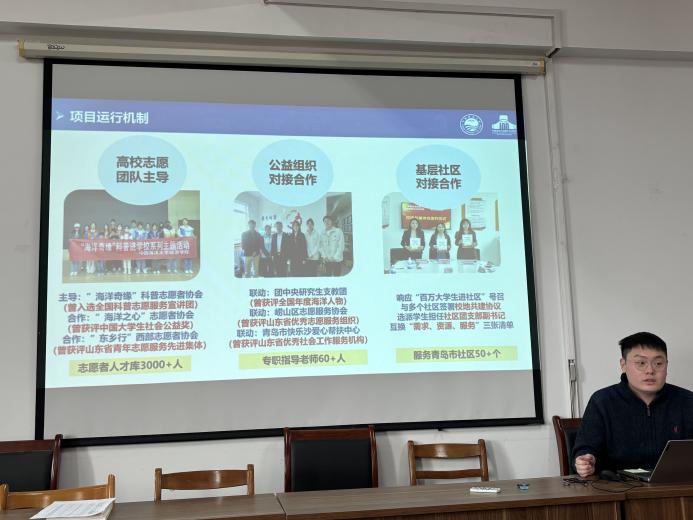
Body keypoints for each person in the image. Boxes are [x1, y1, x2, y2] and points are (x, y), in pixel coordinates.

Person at [573, 332, 693, 477]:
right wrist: (585, 461)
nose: (650, 371)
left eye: (658, 363)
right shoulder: (602, 401)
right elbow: (585, 449)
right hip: (617, 486)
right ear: (623, 365)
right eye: (641, 363)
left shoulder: (687, 401)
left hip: (676, 485)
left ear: (666, 365)